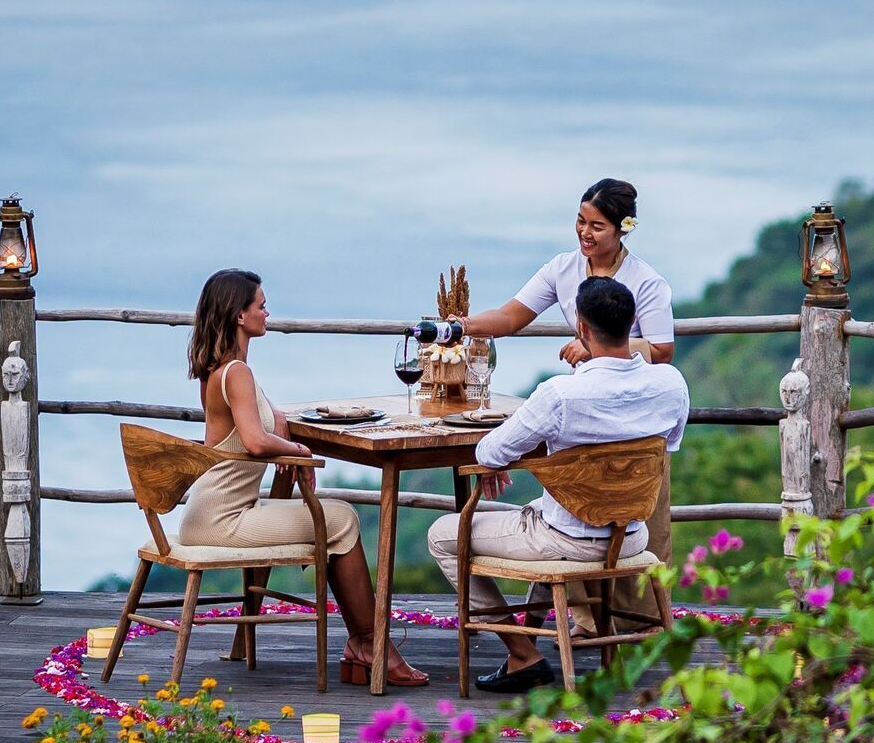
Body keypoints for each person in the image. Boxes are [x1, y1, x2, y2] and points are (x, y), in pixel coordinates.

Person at [429, 275, 688, 693]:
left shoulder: (561, 394)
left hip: (570, 540)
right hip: (632, 536)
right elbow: (665, 447)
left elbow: (488, 453)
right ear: (632, 322)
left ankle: (521, 653)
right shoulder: (672, 384)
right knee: (540, 515)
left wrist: (516, 458)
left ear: (582, 330)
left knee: (444, 535)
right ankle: (531, 642)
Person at [179, 268, 428, 688]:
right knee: (343, 518)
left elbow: (266, 418)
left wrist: (282, 428)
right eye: (260, 305)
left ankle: (364, 645)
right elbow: (257, 442)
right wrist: (300, 451)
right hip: (223, 518)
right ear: (240, 315)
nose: (267, 312)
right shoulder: (236, 373)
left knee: (334, 518)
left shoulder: (224, 368)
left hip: (211, 508)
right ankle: (369, 646)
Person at [463, 178, 674, 365]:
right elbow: (508, 318)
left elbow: (662, 352)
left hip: (630, 390)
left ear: (622, 230)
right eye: (581, 221)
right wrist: (462, 326)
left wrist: (594, 347)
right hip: (584, 385)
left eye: (597, 227)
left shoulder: (647, 282)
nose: (585, 232)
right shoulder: (562, 267)